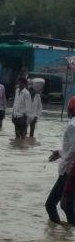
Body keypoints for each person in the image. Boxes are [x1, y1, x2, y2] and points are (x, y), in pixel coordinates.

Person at [45, 96, 75, 225]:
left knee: (50, 204)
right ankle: (66, 237)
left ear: (71, 109)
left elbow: (73, 149)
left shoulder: (72, 126)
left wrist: (62, 155)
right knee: (67, 206)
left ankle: (57, 239)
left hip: (68, 172)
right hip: (71, 170)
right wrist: (60, 153)